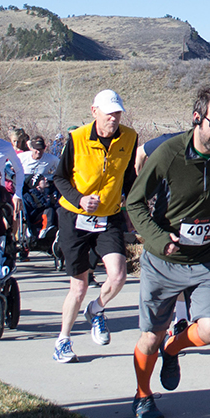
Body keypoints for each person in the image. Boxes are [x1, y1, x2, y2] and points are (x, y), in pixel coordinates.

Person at [123, 85, 210, 418]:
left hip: (209, 259)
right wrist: (159, 239)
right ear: (197, 118)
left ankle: (173, 347)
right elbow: (134, 202)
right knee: (150, 334)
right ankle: (143, 395)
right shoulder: (168, 154)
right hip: (164, 261)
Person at [50, 90, 139, 363]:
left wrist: (135, 207)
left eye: (118, 112)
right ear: (94, 111)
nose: (114, 117)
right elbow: (59, 179)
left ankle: (96, 309)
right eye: (108, 112)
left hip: (109, 215)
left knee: (118, 275)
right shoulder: (77, 139)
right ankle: (63, 340)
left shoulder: (130, 137)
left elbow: (129, 177)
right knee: (78, 285)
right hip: (75, 217)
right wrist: (79, 198)